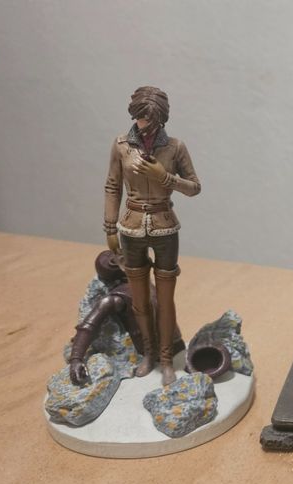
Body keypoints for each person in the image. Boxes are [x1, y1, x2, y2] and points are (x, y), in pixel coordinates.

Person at [103, 86, 200, 386]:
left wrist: (164, 177)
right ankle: (148, 354)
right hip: (131, 228)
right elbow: (112, 186)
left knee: (166, 301)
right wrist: (109, 227)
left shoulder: (175, 147)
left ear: (160, 118)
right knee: (140, 300)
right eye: (139, 116)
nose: (142, 122)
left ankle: (167, 359)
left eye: (148, 117)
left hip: (165, 227)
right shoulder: (121, 145)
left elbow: (194, 187)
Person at [68, 251, 184, 386]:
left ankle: (166, 362)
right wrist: (76, 358)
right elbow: (88, 326)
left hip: (172, 344)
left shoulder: (143, 279)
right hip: (151, 349)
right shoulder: (116, 298)